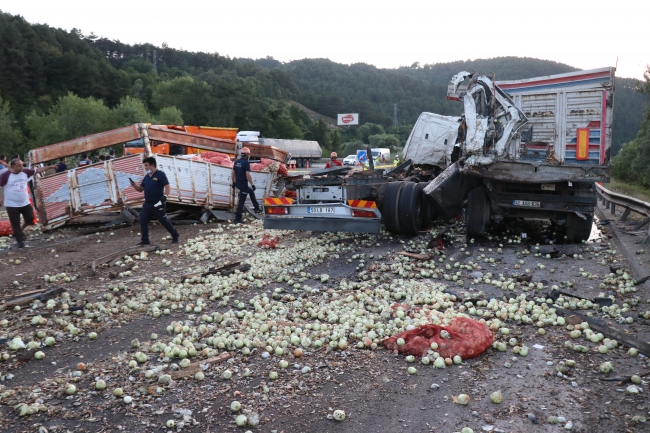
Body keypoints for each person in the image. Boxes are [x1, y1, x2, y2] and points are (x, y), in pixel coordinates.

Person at [0, 158, 56, 247]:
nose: (21, 167)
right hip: (12, 205)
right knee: (15, 224)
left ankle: (21, 228)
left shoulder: (25, 172)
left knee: (30, 218)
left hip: (25, 203)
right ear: (13, 166)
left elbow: (37, 170)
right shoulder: (5, 175)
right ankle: (20, 242)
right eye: (19, 166)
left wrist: (50, 166)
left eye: (22, 165)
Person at [130, 157, 179, 245]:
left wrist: (165, 196)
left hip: (158, 204)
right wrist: (134, 185)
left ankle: (175, 234)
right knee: (143, 221)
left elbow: (167, 186)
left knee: (164, 221)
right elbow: (141, 189)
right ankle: (145, 241)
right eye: (144, 165)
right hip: (147, 204)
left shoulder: (160, 174)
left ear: (152, 165)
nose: (145, 167)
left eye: (146, 165)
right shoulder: (146, 177)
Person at [232, 147, 262, 223]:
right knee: (241, 202)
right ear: (247, 154)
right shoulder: (246, 163)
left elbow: (233, 173)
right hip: (243, 185)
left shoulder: (237, 162)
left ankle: (257, 208)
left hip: (238, 183)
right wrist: (252, 184)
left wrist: (234, 182)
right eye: (249, 154)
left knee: (251, 192)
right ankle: (237, 219)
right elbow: (248, 175)